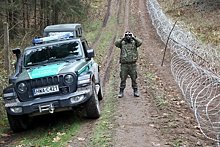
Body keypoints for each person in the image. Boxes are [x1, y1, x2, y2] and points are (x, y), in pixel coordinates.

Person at [114, 31, 142, 98]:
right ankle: (121, 91)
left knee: (134, 78)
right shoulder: (122, 43)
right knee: (123, 78)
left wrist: (134, 37)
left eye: (129, 35)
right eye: (127, 35)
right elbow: (116, 43)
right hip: (124, 64)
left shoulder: (134, 42)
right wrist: (123, 38)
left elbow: (140, 42)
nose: (128, 36)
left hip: (132, 64)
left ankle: (135, 90)